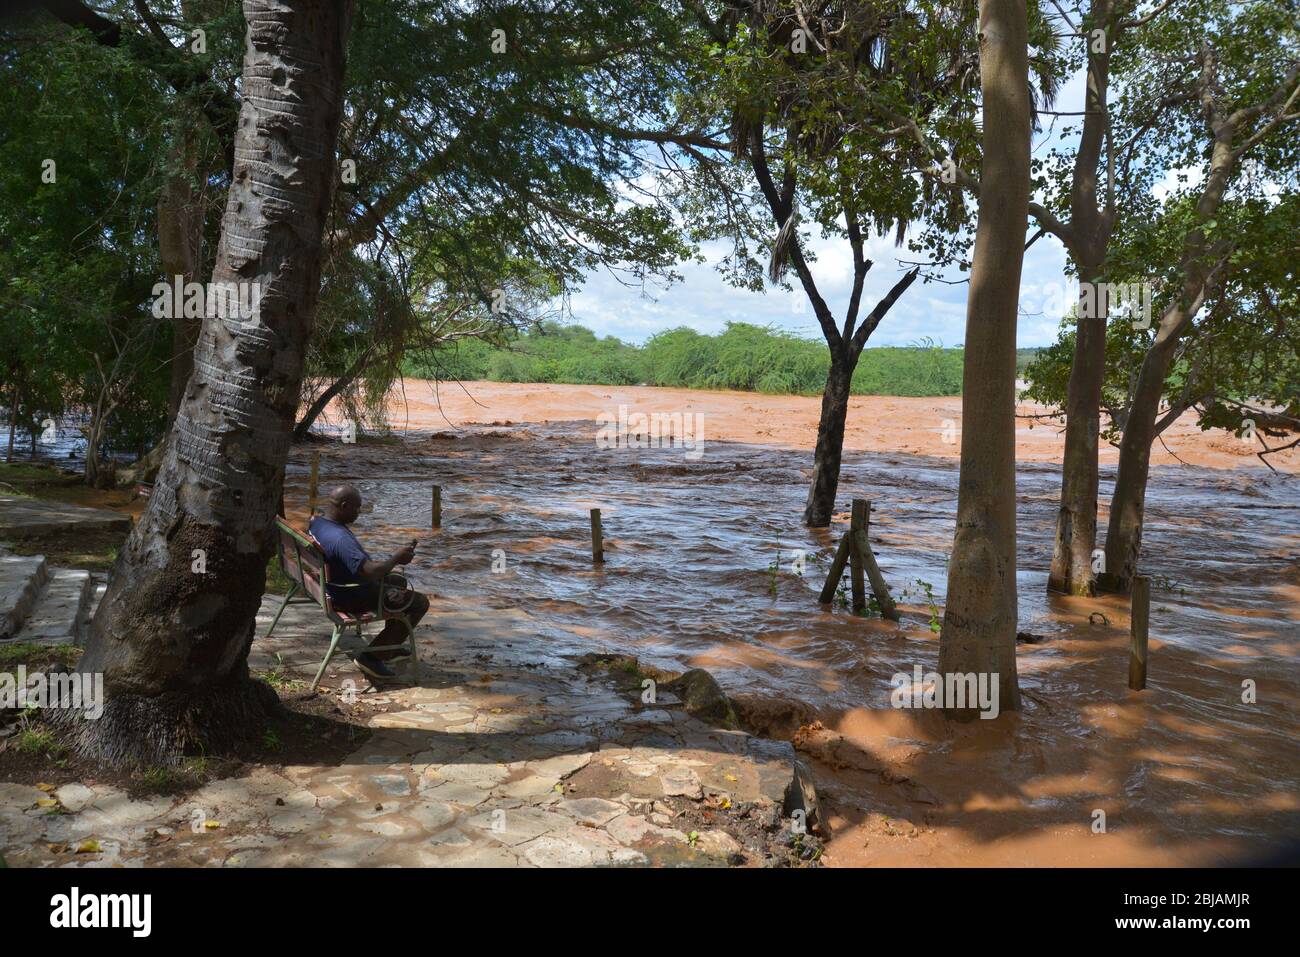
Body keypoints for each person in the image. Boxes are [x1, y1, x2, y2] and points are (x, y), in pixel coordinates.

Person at [308, 484, 430, 682]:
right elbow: (371, 572)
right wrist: (396, 558)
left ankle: (389, 644)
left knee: (397, 581)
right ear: (344, 506)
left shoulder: (317, 523)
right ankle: (371, 658)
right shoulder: (340, 539)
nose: (359, 512)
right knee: (419, 602)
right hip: (350, 596)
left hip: (332, 586)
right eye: (357, 508)